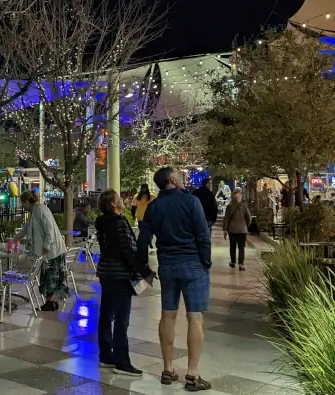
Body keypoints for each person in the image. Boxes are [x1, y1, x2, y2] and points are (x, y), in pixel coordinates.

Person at [138, 167, 212, 391]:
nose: (182, 178)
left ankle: (168, 369)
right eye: (179, 175)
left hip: (167, 266)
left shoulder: (153, 207)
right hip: (192, 265)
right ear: (172, 179)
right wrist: (205, 263)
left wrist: (143, 267)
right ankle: (192, 373)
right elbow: (203, 236)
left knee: (167, 316)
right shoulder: (191, 202)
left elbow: (143, 239)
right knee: (195, 318)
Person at [95, 189, 144, 376]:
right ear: (113, 204)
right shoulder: (119, 222)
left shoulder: (101, 222)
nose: (122, 200)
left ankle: (106, 355)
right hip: (120, 274)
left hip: (106, 271)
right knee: (122, 319)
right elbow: (127, 249)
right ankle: (122, 362)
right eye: (119, 199)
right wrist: (141, 268)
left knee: (107, 314)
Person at [13, 190, 68, 311]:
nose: (22, 206)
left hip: (52, 251)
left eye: (22, 202)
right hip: (49, 251)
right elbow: (26, 229)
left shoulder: (40, 210)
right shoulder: (34, 212)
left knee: (51, 276)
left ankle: (51, 302)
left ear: (27, 201)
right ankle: (51, 301)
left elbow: (49, 229)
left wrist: (47, 245)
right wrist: (14, 239)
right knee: (49, 276)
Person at [222, 189, 251, 270]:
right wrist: (246, 226)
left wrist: (224, 229)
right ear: (239, 198)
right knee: (241, 247)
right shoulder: (244, 206)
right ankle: (241, 264)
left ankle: (233, 262)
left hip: (232, 230)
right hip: (242, 230)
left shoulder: (229, 207)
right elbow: (249, 218)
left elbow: (226, 219)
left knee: (232, 246)